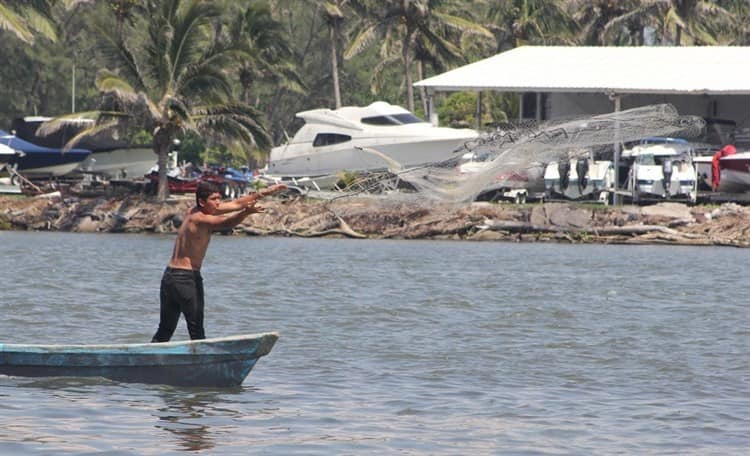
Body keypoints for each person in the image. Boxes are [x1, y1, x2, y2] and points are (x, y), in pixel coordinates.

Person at [151, 181, 287, 343]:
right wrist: (245, 213)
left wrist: (267, 191)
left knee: (165, 330)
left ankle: (146, 362)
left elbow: (237, 203)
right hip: (186, 279)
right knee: (197, 332)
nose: (218, 203)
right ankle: (203, 365)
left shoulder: (193, 211)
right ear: (202, 201)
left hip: (170, 277)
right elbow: (226, 223)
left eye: (219, 199)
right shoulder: (200, 219)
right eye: (214, 199)